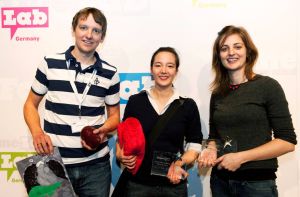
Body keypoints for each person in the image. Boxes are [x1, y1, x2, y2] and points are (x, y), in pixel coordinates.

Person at [23, 7, 120, 197]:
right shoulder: (50, 63)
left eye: (96, 30)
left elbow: (115, 116)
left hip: (96, 167)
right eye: (83, 27)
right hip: (53, 163)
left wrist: (103, 131)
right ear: (74, 30)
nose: (89, 35)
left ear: (102, 37)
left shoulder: (110, 73)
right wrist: (36, 132)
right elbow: (29, 104)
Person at [197, 25, 297, 197]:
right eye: (224, 48)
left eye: (237, 46)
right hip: (221, 183)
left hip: (257, 185)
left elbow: (287, 141)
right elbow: (215, 137)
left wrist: (240, 157)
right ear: (218, 56)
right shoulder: (218, 93)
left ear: (248, 51)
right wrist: (210, 149)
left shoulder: (267, 86)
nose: (231, 53)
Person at [115, 47, 203, 197]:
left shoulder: (188, 105)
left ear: (176, 71)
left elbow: (195, 144)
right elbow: (122, 138)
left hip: (173, 186)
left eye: (170, 66)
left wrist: (178, 164)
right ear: (151, 70)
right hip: (138, 185)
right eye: (158, 65)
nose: (164, 70)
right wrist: (120, 155)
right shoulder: (135, 101)